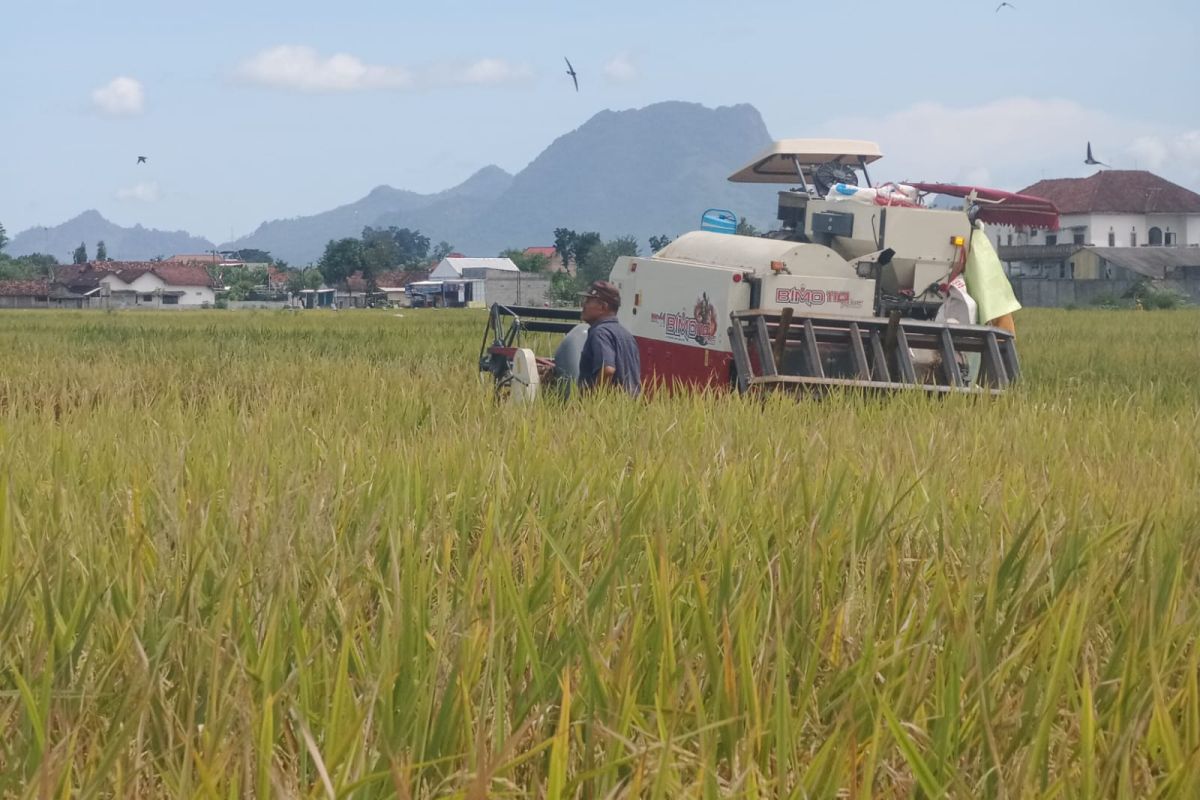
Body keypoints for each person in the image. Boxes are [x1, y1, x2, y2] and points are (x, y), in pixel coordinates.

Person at [576, 280, 641, 395]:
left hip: (606, 408)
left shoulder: (600, 333)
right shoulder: (627, 335)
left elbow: (608, 369)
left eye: (588, 301)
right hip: (630, 408)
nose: (583, 304)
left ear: (603, 307)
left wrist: (594, 402)